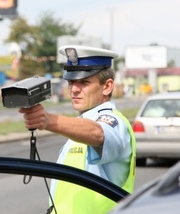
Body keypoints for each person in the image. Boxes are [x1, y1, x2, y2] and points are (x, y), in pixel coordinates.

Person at [19, 45, 136, 214]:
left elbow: (99, 133)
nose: (74, 89)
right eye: (71, 81)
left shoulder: (114, 120)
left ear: (107, 86)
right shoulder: (81, 124)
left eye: (84, 82)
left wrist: (49, 121)